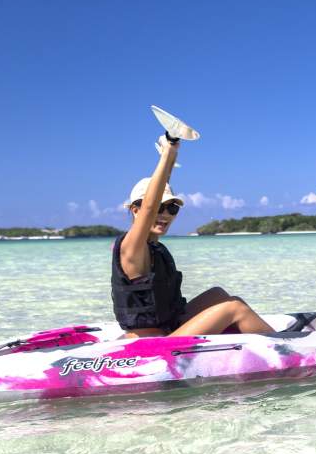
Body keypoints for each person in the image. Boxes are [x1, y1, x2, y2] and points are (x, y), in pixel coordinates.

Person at [112, 135, 274, 337]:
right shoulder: (132, 247)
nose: (165, 214)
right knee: (234, 309)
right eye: (160, 208)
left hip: (169, 327)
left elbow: (156, 197)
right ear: (135, 210)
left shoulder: (152, 245)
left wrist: (170, 157)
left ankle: (256, 335)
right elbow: (149, 206)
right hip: (152, 345)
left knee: (219, 294)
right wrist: (167, 153)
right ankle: (289, 349)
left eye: (172, 208)